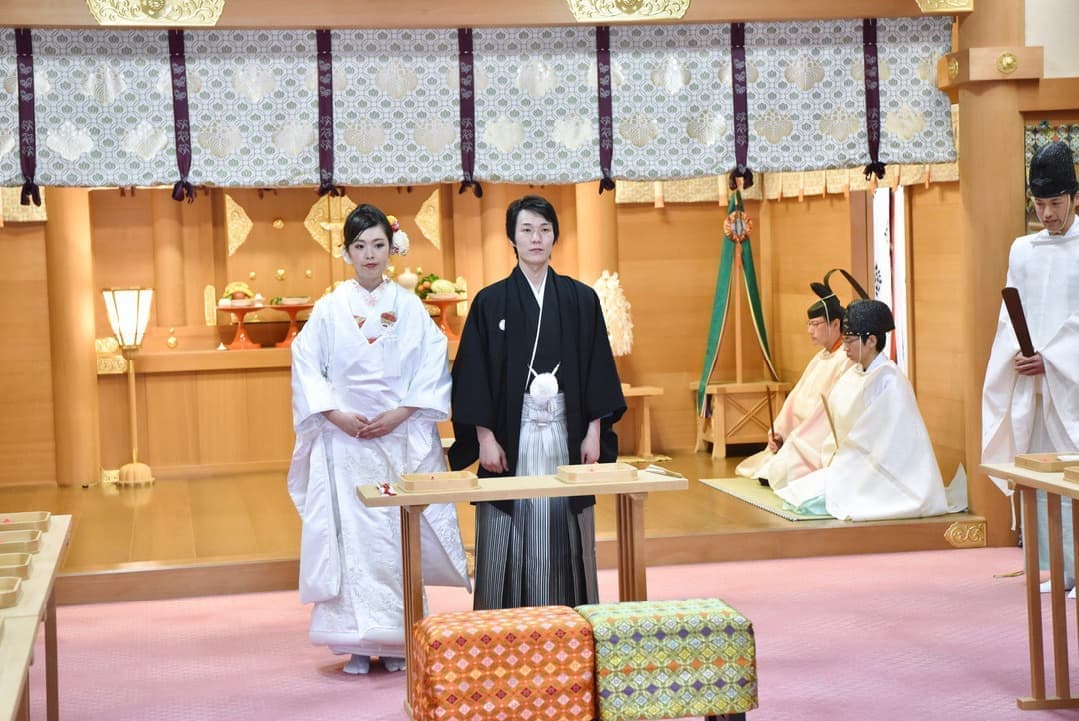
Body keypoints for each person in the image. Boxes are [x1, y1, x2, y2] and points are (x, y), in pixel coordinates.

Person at [287, 203, 470, 675]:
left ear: (391, 249)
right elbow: (306, 364)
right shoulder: (328, 309)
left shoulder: (408, 306)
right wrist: (335, 414)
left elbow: (432, 364)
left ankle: (397, 641)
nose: (369, 254)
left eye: (377, 245)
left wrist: (401, 413)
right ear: (346, 251)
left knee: (395, 537)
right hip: (345, 439)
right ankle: (354, 642)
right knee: (352, 536)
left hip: (396, 436)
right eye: (359, 246)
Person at [449, 194, 626, 610]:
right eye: (526, 229)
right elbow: (473, 376)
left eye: (544, 230)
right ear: (511, 237)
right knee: (509, 525)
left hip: (566, 431)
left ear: (555, 238)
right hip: (512, 435)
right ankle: (503, 625)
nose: (536, 238)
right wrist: (485, 437)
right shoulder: (490, 302)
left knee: (562, 526)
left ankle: (566, 620)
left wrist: (594, 430)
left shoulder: (581, 299)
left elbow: (597, 368)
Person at [982, 140, 1079, 594]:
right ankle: (1056, 570)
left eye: (1056, 203)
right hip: (1034, 384)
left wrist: (1055, 360)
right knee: (1040, 479)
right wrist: (1017, 357)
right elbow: (1009, 315)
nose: (1049, 214)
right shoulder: (1022, 249)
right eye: (1040, 204)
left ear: (1075, 198)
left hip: (1071, 383)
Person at [774, 299, 956, 521]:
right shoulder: (856, 371)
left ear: (871, 340)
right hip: (856, 459)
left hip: (886, 470)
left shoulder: (889, 379)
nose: (844, 347)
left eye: (850, 341)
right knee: (796, 493)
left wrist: (847, 458)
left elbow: (883, 440)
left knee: (821, 499)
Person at [736, 269, 861, 489]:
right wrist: (780, 432)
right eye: (808, 324)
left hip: (816, 436)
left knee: (781, 474)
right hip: (798, 432)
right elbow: (796, 397)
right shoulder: (821, 357)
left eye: (816, 324)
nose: (810, 330)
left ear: (835, 324)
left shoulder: (845, 358)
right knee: (768, 470)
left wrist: (799, 437)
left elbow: (829, 409)